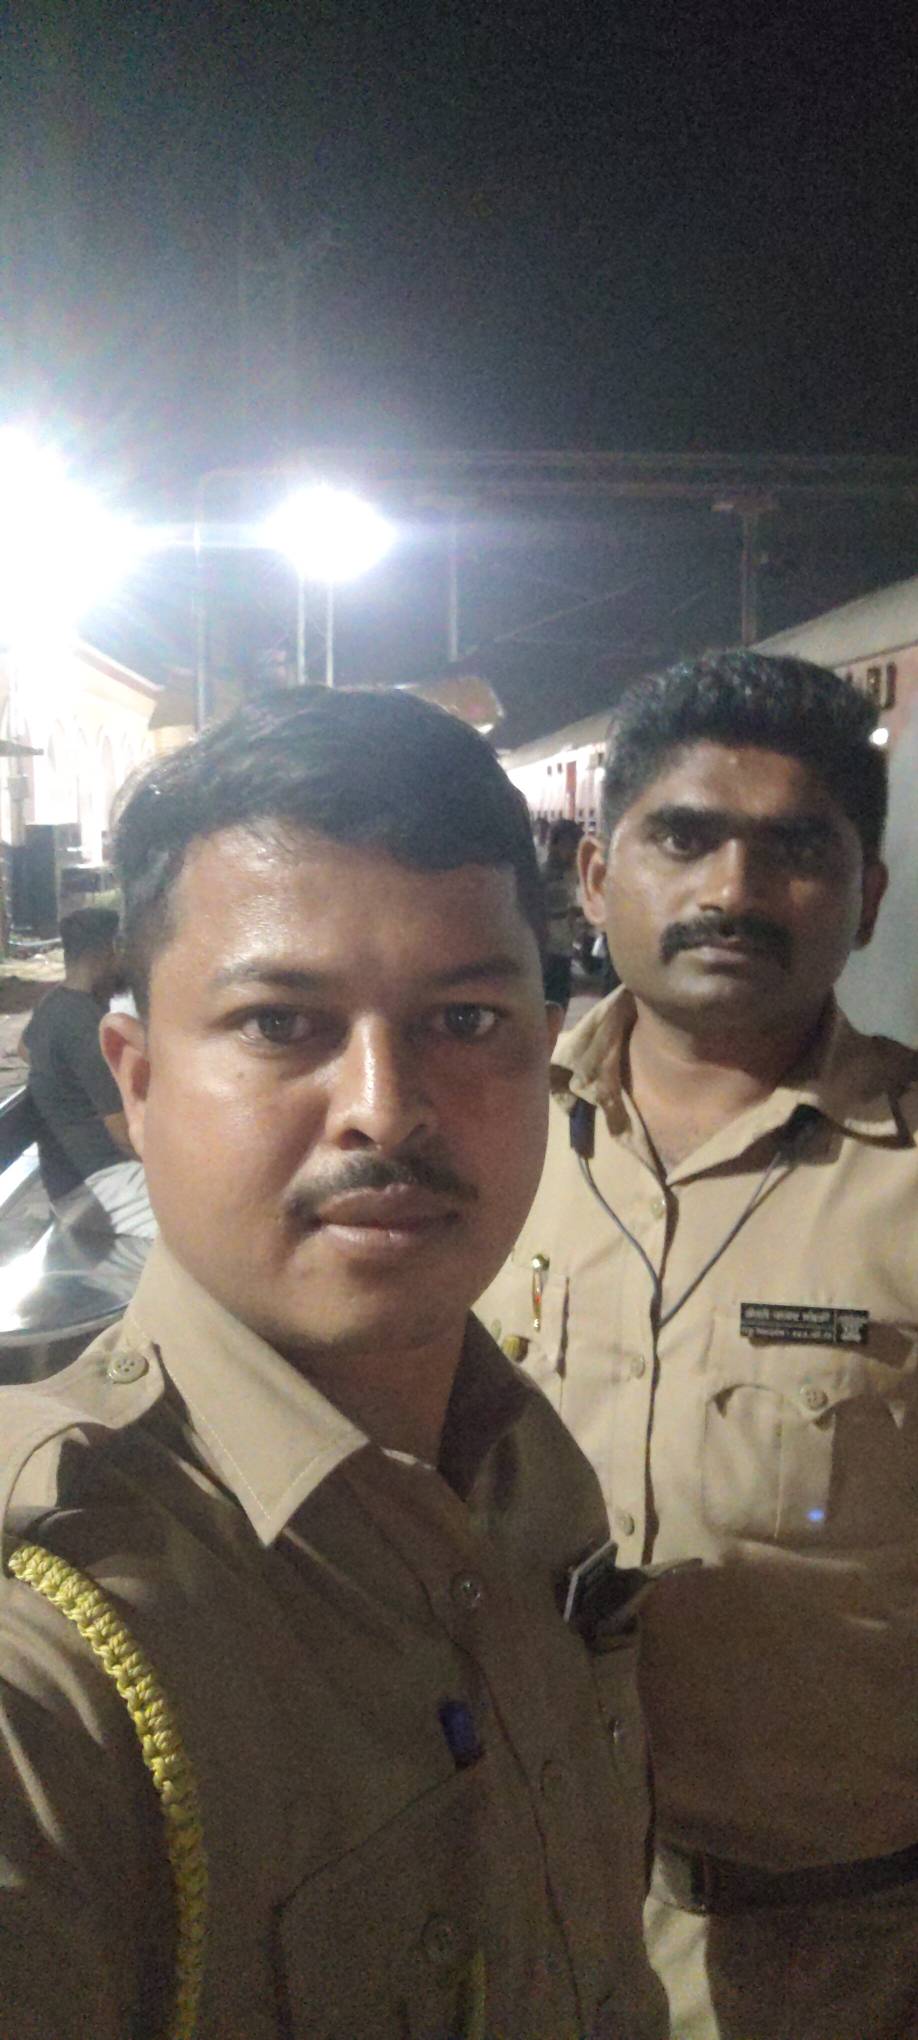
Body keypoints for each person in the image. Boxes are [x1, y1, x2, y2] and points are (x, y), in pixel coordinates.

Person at [0, 688, 665, 2040]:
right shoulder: (58, 1651)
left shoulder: (522, 1463)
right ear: (135, 1080)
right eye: (279, 1024)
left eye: (463, 1020)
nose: (384, 1107)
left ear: (544, 1050)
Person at [478, 652, 918, 2040]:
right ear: (595, 876)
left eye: (796, 850)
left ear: (867, 896)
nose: (734, 889)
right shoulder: (478, 1140)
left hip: (840, 1953)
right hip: (510, 1905)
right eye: (683, 838)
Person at [19, 905, 156, 1239]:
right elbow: (125, 1135)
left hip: (70, 1179)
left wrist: (61, 1083)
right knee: (214, 1230)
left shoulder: (55, 1003)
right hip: (100, 1184)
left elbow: (25, 1048)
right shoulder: (85, 1025)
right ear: (111, 950)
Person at [542, 817, 581, 1010]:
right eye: (569, 845)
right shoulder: (544, 874)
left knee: (559, 1003)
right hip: (547, 951)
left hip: (564, 948)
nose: (573, 851)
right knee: (549, 1003)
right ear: (554, 844)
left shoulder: (571, 872)